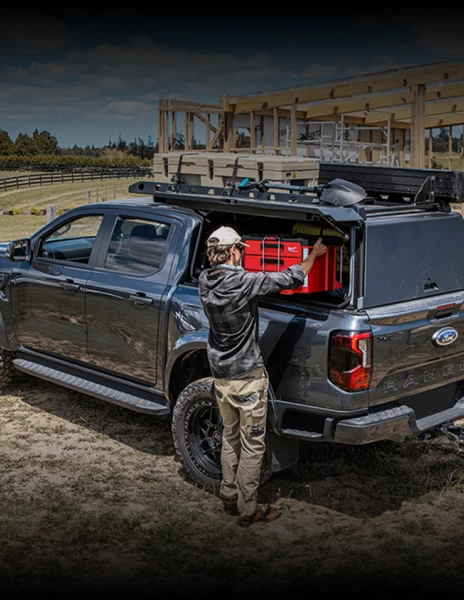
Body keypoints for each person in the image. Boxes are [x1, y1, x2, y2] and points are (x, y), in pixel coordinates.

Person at [198, 226, 327, 527]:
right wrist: (314, 255)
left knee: (230, 435)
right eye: (240, 249)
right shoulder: (242, 282)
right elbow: (290, 278)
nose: (243, 253)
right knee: (253, 443)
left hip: (221, 375)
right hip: (247, 376)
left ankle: (228, 491)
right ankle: (248, 508)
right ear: (232, 251)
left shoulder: (205, 280)